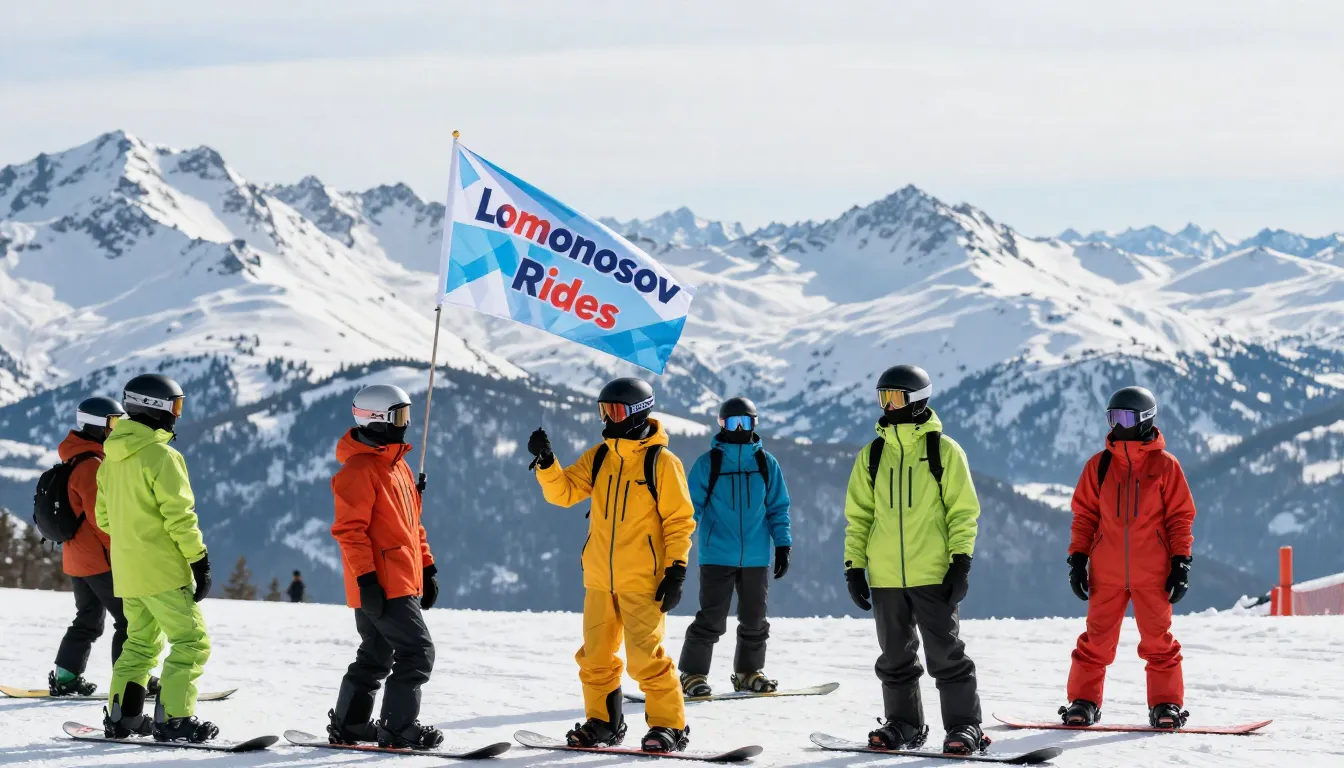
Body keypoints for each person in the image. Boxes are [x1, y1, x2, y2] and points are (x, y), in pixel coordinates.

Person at [526, 377, 696, 753]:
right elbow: (563, 493)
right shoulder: (600, 457)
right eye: (603, 410)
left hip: (643, 580)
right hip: (600, 578)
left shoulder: (661, 462)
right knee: (595, 657)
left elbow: (680, 521)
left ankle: (668, 725)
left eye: (615, 411)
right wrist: (547, 463)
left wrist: (676, 570)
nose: (607, 418)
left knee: (645, 659)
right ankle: (603, 722)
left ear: (637, 413)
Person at [843, 364, 985, 755]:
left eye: (896, 398)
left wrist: (961, 562)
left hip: (933, 572)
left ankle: (965, 727)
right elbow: (859, 517)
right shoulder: (872, 455)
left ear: (918, 400)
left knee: (946, 655)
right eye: (883, 397)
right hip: (885, 576)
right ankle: (903, 724)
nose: (888, 406)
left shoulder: (943, 451)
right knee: (894, 657)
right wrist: (854, 567)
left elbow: (963, 512)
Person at [1061, 386, 1196, 730]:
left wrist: (1181, 563)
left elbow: (1180, 518)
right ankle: (1083, 702)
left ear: (1145, 419)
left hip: (1153, 572)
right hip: (1105, 572)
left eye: (1125, 417)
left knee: (1158, 641)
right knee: (1095, 641)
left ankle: (1165, 704)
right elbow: (1085, 517)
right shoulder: (1099, 466)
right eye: (1112, 418)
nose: (1118, 425)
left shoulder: (1165, 466)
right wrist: (1077, 559)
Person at [97, 374, 216, 742]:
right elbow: (180, 517)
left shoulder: (110, 459)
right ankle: (175, 720)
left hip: (128, 570)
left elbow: (104, 518)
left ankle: (123, 718)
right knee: (191, 642)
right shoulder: (162, 456)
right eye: (176, 405)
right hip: (163, 570)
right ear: (156, 407)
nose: (178, 414)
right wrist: (199, 560)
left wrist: (134, 534)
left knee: (140, 643)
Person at [328, 384, 442, 750]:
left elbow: (412, 526)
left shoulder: (398, 467)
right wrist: (367, 580)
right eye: (399, 416)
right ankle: (398, 728)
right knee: (417, 653)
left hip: (399, 578)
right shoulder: (359, 470)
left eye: (407, 414)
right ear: (377, 419)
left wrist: (427, 568)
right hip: (381, 583)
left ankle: (349, 724)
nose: (406, 424)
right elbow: (349, 531)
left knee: (376, 654)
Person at [678, 396, 791, 697]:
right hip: (716, 554)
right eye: (732, 423)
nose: (739, 429)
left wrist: (783, 544)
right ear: (721, 425)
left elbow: (778, 507)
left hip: (755, 556)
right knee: (712, 618)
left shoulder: (766, 463)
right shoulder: (709, 463)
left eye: (745, 422)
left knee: (755, 618)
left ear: (754, 424)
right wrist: (679, 545)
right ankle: (692, 674)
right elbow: (690, 509)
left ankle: (748, 673)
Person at [50, 397, 136, 697]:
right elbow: (102, 520)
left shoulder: (76, 458)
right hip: (99, 559)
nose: (118, 428)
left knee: (88, 619)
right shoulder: (92, 465)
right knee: (131, 620)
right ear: (98, 425)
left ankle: (65, 677)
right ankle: (130, 682)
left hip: (78, 559)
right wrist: (122, 553)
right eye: (114, 422)